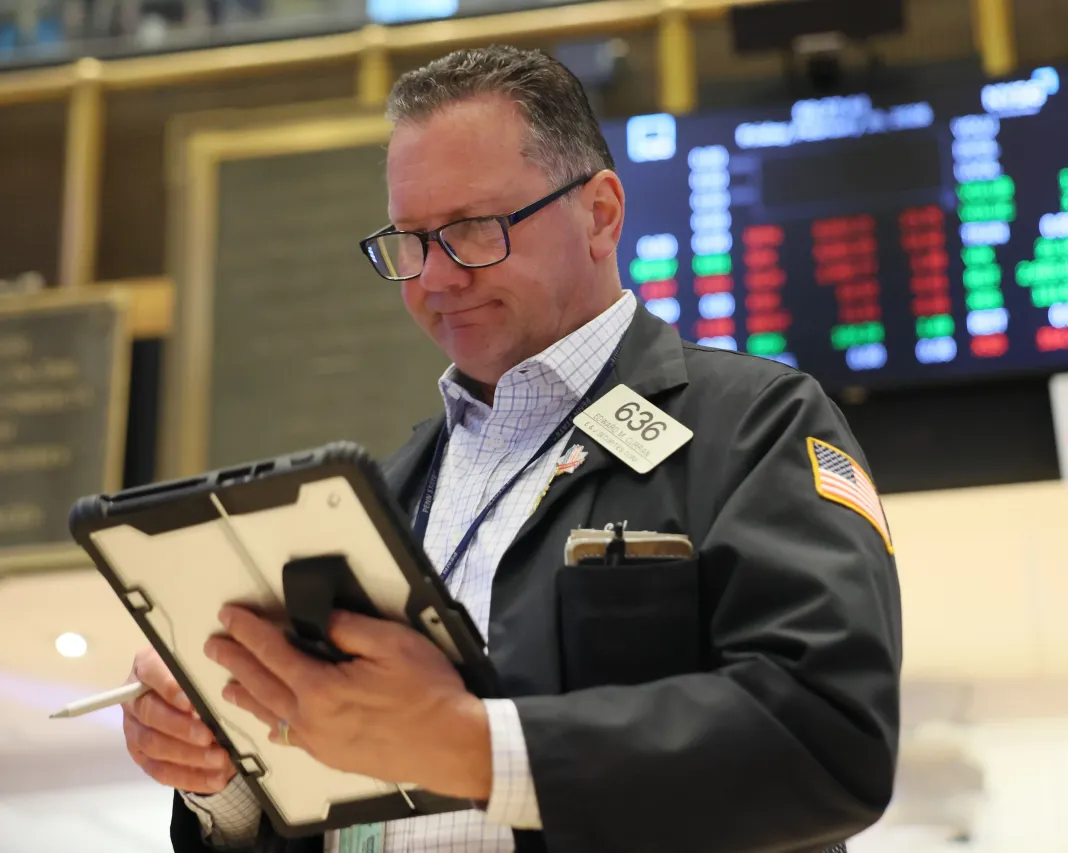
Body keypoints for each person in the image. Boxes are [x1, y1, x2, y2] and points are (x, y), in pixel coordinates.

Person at [121, 45, 902, 853]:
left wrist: (467, 743)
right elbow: (333, 807)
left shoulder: (752, 424)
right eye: (410, 241)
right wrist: (225, 781)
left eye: (471, 230)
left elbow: (826, 739)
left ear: (600, 213)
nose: (435, 278)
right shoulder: (384, 494)